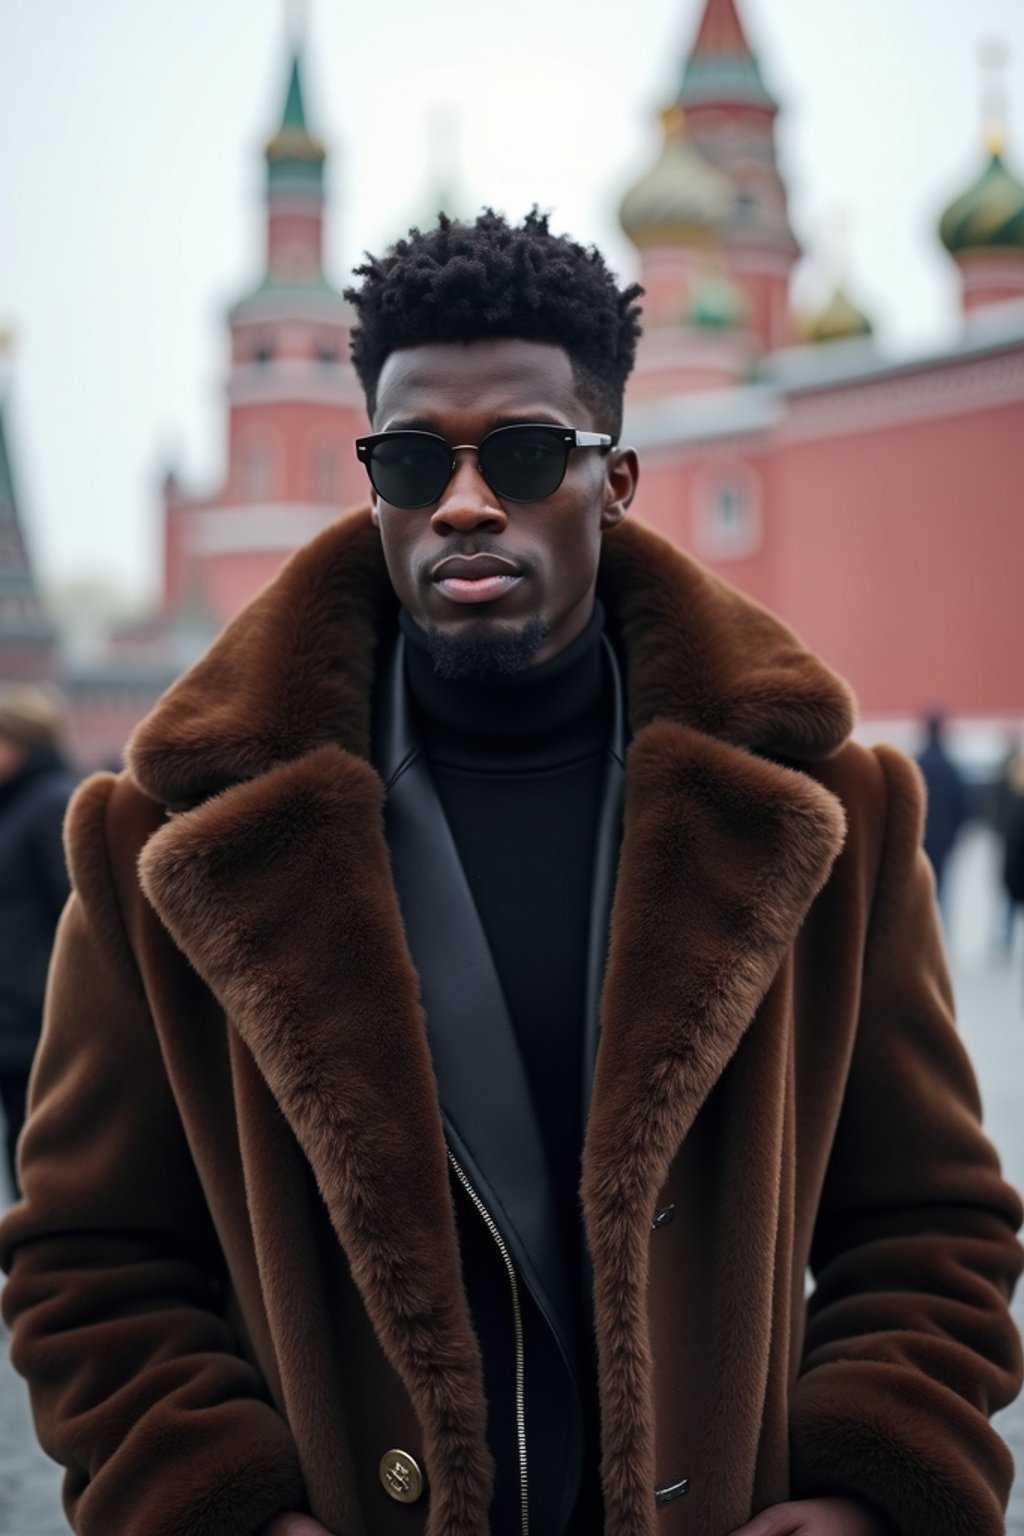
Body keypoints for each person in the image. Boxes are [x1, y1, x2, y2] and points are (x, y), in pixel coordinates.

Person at [1, 210, 1021, 1536]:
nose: (465, 501)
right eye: (414, 458)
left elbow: (930, 1231)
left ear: (621, 477)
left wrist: (864, 1491)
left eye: (528, 454)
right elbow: (91, 1260)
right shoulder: (159, 842)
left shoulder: (826, 817)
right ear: (371, 478)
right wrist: (220, 1508)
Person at [0, 684, 77, 1197]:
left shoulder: (49, 805)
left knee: (42, 1152)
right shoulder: (20, 805)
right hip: (18, 1020)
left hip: (38, 1022)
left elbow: (75, 913)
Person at [914, 709, 969, 917]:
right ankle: (938, 938)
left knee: (919, 892)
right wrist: (953, 837)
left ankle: (920, 935)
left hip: (920, 842)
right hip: (944, 842)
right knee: (941, 892)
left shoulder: (917, 763)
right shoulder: (950, 767)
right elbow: (963, 807)